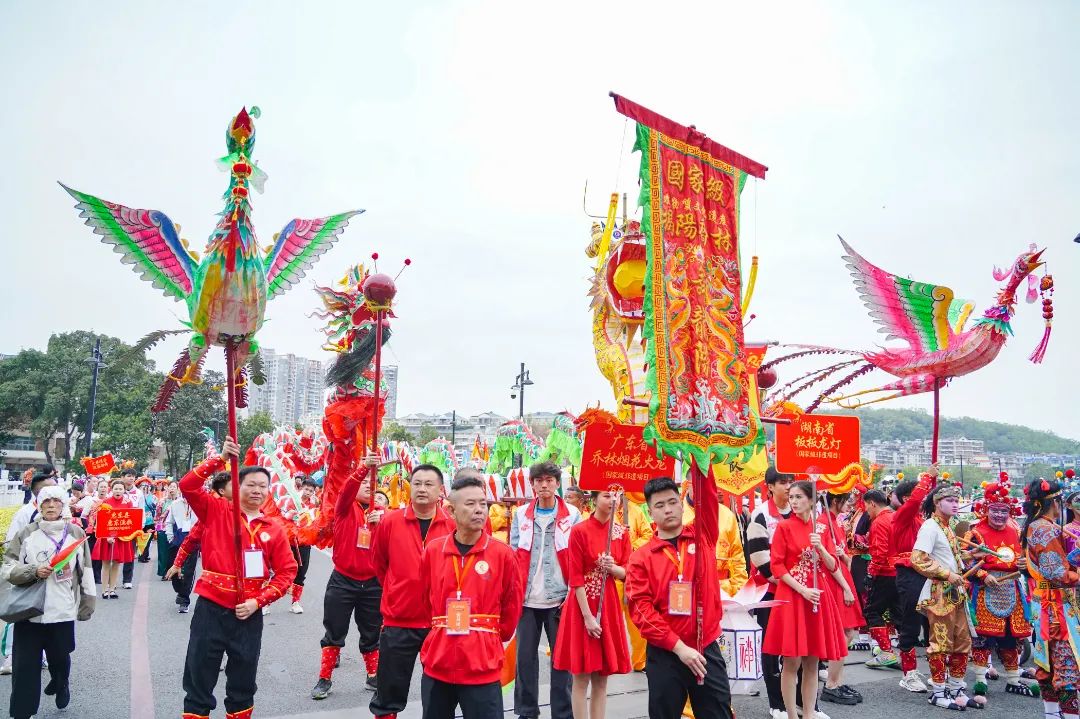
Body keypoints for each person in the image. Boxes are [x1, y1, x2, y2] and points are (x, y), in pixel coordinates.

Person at [178, 436, 297, 719]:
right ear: (237, 487)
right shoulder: (217, 510)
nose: (257, 490)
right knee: (198, 678)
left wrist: (259, 601)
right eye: (251, 485)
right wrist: (219, 459)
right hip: (211, 609)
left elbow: (287, 571)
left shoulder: (274, 529)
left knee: (243, 683)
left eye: (263, 486)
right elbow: (187, 485)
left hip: (248, 614)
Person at [418, 473, 523, 718]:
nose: (479, 510)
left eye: (483, 504)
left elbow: (512, 606)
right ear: (451, 511)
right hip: (438, 661)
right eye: (470, 504)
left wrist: (487, 640)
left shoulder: (502, 554)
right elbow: (424, 601)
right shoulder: (434, 550)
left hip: (482, 664)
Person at [626, 474, 731, 719]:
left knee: (718, 714)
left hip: (705, 646)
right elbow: (642, 611)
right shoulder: (641, 558)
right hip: (665, 653)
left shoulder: (703, 534)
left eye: (673, 502)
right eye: (659, 505)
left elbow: (708, 494)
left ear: (682, 504)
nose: (668, 509)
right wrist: (678, 647)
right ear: (650, 512)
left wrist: (701, 458)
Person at [368, 464, 456, 719]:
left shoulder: (452, 526)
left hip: (439, 623)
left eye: (429, 484)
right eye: (417, 483)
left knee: (440, 695)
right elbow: (379, 564)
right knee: (388, 694)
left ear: (441, 490)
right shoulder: (390, 522)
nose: (422, 489)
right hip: (399, 621)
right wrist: (398, 589)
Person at [1, 485, 96, 719]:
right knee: (25, 667)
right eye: (46, 501)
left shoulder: (75, 533)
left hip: (62, 611)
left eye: (56, 501)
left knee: (60, 658)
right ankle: (22, 712)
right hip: (29, 611)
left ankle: (61, 683)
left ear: (63, 505)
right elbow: (7, 568)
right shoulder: (26, 533)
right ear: (39, 506)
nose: (51, 505)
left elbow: (85, 570)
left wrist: (87, 602)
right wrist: (33, 571)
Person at [762, 480, 848, 719]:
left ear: (812, 500)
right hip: (793, 595)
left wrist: (821, 548)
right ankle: (791, 714)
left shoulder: (821, 528)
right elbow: (777, 566)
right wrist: (802, 590)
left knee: (812, 662)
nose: (794, 501)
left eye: (799, 497)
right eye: (791, 497)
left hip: (818, 596)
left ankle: (808, 714)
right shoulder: (784, 527)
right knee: (791, 662)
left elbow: (833, 565)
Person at [509, 461, 581, 719]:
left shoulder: (572, 514)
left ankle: (563, 713)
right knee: (525, 660)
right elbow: (514, 554)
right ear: (532, 484)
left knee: (562, 661)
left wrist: (574, 592)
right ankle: (527, 712)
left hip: (560, 598)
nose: (544, 485)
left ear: (557, 483)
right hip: (526, 598)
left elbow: (578, 555)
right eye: (539, 481)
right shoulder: (520, 514)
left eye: (549, 480)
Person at [310, 454, 385, 699]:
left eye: (373, 483)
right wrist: (364, 468)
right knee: (334, 631)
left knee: (372, 633)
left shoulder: (382, 514)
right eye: (365, 482)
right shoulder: (344, 506)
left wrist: (383, 523)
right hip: (343, 580)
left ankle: (373, 676)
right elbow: (348, 488)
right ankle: (325, 678)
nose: (369, 486)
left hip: (373, 584)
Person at [553, 489, 631, 719]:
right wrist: (587, 617)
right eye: (606, 495)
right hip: (582, 605)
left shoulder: (621, 533)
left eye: (617, 495)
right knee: (581, 677)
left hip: (608, 605)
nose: (613, 500)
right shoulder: (579, 531)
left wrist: (612, 567)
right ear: (594, 499)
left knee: (601, 679)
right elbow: (575, 578)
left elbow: (629, 572)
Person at [966, 472, 1036, 699]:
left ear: (1010, 512)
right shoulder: (976, 532)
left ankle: (1013, 679)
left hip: (1011, 588)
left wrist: (1024, 565)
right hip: (985, 589)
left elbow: (1025, 558)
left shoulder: (1016, 531)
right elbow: (966, 560)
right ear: (986, 509)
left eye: (1003, 511)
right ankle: (980, 678)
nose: (999, 515)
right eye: (994, 510)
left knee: (1010, 636)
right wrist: (983, 574)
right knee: (983, 637)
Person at [746, 467, 807, 719]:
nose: (788, 486)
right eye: (783, 482)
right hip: (770, 590)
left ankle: (805, 703)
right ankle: (777, 703)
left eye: (791, 481)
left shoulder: (800, 512)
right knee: (772, 647)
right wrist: (786, 581)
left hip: (798, 590)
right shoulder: (760, 515)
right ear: (770, 486)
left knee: (800, 647)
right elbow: (759, 556)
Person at [911, 482, 977, 710]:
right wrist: (947, 574)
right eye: (950, 500)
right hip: (940, 592)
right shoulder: (930, 526)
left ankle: (957, 689)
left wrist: (970, 556)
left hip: (956, 592)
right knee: (940, 643)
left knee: (962, 642)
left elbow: (948, 557)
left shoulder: (947, 526)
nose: (955, 504)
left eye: (957, 501)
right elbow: (918, 559)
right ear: (937, 503)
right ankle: (938, 692)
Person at [887, 470, 938, 691]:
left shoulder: (923, 520)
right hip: (909, 574)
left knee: (933, 624)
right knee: (910, 624)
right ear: (907, 498)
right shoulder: (902, 516)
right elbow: (917, 500)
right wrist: (926, 478)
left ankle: (935, 672)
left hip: (928, 573)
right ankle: (908, 674)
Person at [820, 490, 865, 706]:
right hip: (835, 582)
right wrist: (846, 588)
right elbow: (828, 562)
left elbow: (844, 559)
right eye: (847, 500)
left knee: (847, 632)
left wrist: (844, 556)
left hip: (842, 579)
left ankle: (836, 681)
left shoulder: (836, 523)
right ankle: (831, 684)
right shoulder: (824, 523)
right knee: (844, 633)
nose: (849, 504)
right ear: (836, 501)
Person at [164, 474, 209, 613]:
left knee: (189, 570)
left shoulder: (200, 503)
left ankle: (184, 599)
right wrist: (170, 537)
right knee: (173, 568)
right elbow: (169, 522)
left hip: (194, 539)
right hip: (178, 539)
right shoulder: (175, 504)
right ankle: (179, 591)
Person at [90, 478, 137, 599]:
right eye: (116, 489)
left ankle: (112, 589)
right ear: (112, 490)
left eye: (120, 489)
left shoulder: (128, 503)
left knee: (116, 564)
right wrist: (107, 537)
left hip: (121, 539)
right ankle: (104, 590)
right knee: (106, 564)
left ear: (124, 490)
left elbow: (130, 521)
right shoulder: (105, 502)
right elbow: (101, 522)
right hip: (107, 538)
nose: (118, 491)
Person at [283, 477, 320, 614]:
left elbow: (315, 523)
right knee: (280, 571)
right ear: (301, 488)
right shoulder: (292, 501)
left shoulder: (313, 506)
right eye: (306, 489)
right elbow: (284, 517)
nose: (308, 492)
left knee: (301, 573)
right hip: (288, 542)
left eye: (311, 491)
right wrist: (290, 516)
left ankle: (295, 602)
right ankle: (267, 603)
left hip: (304, 544)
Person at [625, 500, 654, 673]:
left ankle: (640, 660)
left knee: (636, 619)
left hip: (632, 570)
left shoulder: (635, 511)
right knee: (606, 620)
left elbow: (648, 534)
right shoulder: (603, 510)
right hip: (609, 572)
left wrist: (631, 544)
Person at [119, 468, 140, 589]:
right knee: (115, 553)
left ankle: (127, 579)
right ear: (122, 477)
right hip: (117, 525)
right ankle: (111, 581)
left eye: (133, 476)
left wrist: (140, 527)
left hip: (132, 527)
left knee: (130, 553)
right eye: (128, 476)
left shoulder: (138, 493)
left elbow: (141, 510)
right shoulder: (116, 491)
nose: (131, 478)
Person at [154, 481, 179, 578]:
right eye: (170, 487)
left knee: (175, 551)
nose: (172, 489)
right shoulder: (162, 501)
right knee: (163, 552)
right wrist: (157, 529)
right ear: (167, 488)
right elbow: (157, 516)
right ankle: (164, 572)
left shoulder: (180, 501)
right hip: (163, 529)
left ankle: (174, 572)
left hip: (176, 529)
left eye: (174, 487)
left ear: (177, 489)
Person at [137, 478, 157, 563]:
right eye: (143, 485)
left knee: (149, 539)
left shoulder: (153, 497)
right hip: (140, 521)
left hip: (150, 521)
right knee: (142, 539)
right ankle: (141, 556)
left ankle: (146, 555)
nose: (145, 487)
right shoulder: (137, 496)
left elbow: (155, 507)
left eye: (147, 486)